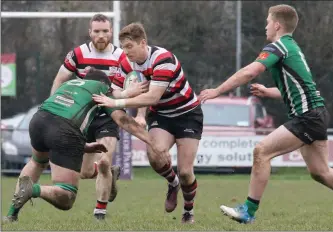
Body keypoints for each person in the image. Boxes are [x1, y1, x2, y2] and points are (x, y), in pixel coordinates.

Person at [199, 4, 333, 224]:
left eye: (267, 21)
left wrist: (217, 90)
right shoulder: (291, 47)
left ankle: (248, 211)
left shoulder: (278, 47)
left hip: (308, 116)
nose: (265, 26)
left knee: (261, 151)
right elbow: (298, 89)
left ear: (276, 25)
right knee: (321, 172)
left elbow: (250, 71)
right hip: (315, 114)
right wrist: (268, 91)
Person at [3, 69, 164, 223]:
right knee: (67, 196)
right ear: (104, 84)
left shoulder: (71, 83)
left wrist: (83, 146)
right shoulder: (101, 88)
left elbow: (64, 111)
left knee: (37, 162)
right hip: (63, 128)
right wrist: (152, 142)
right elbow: (123, 120)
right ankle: (34, 190)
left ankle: (11, 214)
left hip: (38, 120)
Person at [93, 22, 203, 224]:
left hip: (187, 114)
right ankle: (172, 182)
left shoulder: (163, 59)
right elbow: (114, 90)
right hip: (161, 115)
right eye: (123, 47)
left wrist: (118, 101)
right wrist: (126, 93)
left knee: (186, 171)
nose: (125, 52)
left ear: (143, 43)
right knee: (155, 154)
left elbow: (152, 97)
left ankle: (188, 210)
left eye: (129, 47)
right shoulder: (127, 63)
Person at [49, 14, 147, 220]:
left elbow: (139, 84)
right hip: (83, 116)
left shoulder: (122, 56)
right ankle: (111, 174)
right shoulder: (77, 54)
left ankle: (99, 212)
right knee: (85, 172)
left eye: (105, 31)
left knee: (103, 160)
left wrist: (140, 114)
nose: (101, 35)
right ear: (90, 32)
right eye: (97, 31)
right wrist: (53, 110)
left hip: (109, 115)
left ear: (111, 32)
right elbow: (60, 79)